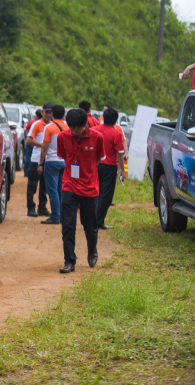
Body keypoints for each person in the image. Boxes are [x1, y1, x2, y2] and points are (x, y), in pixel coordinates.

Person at [56, 108, 105, 273]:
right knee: (68, 225)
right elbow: (64, 157)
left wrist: (87, 172)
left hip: (90, 188)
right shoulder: (63, 137)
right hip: (69, 185)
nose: (73, 131)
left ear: (85, 125)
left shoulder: (97, 138)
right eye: (71, 127)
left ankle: (92, 250)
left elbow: (99, 158)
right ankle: (69, 260)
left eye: (76, 128)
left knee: (90, 225)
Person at [94, 108, 126, 229]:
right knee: (106, 195)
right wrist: (121, 169)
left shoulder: (95, 130)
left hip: (95, 165)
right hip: (109, 166)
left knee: (96, 192)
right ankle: (98, 221)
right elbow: (119, 153)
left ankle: (93, 219)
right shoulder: (116, 133)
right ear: (115, 120)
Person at [38, 104, 68, 225]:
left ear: (52, 114)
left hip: (51, 162)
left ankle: (55, 216)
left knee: (52, 191)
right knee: (61, 189)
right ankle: (61, 215)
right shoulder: (67, 127)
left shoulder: (49, 128)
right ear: (64, 114)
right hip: (64, 162)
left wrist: (41, 163)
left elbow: (45, 147)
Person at [26, 104, 52, 217]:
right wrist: (42, 144)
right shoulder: (37, 125)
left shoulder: (52, 126)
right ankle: (31, 207)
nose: (48, 114)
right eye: (46, 112)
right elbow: (28, 140)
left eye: (50, 112)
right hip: (36, 159)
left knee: (44, 186)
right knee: (32, 184)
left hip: (47, 159)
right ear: (42, 113)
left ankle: (42, 207)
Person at [24, 109, 43, 177]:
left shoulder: (32, 122)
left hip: (32, 141)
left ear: (36, 115)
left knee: (28, 157)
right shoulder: (45, 123)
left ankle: (27, 173)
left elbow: (26, 129)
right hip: (40, 145)